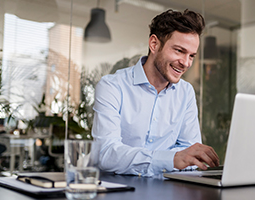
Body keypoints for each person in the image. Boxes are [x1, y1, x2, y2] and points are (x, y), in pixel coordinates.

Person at [92, 9, 219, 177]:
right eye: (179, 51)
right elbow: (106, 153)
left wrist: (180, 157)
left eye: (191, 56)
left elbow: (190, 156)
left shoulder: (186, 93)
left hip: (167, 190)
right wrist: (172, 159)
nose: (186, 63)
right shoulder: (112, 86)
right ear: (154, 44)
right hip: (118, 189)